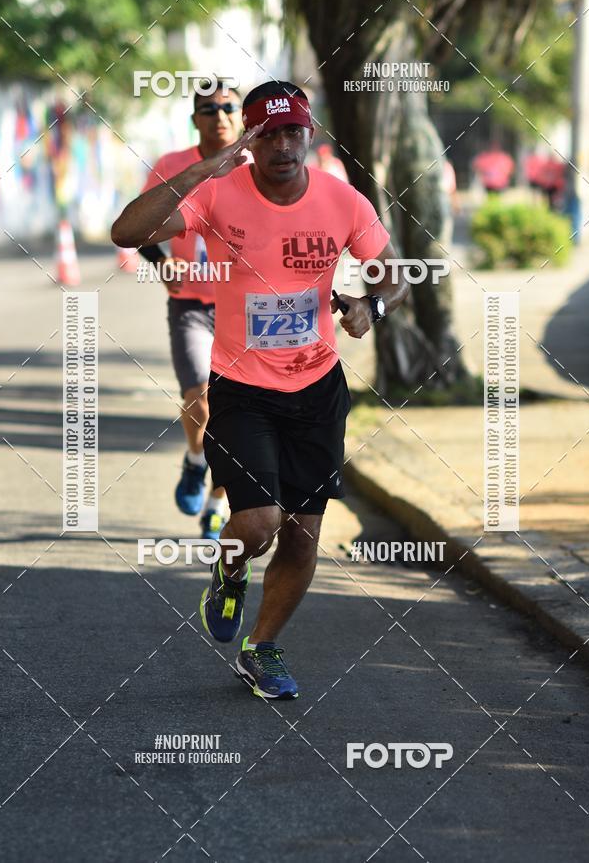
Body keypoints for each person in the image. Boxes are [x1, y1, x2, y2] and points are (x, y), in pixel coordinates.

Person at [112, 81, 409, 700]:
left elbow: (393, 275)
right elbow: (127, 231)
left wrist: (369, 308)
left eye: (292, 131)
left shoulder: (342, 201)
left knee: (303, 533)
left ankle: (261, 647)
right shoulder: (219, 194)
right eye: (267, 133)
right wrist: (206, 168)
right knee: (261, 520)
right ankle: (228, 567)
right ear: (250, 140)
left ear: (310, 135)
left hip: (318, 388)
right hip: (243, 388)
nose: (282, 145)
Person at [140, 82, 244, 540]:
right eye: (208, 109)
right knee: (199, 395)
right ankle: (196, 457)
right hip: (191, 305)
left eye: (228, 108)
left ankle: (218, 503)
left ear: (241, 116)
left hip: (244, 309)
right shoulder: (172, 166)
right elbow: (140, 224)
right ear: (195, 119)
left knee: (236, 411)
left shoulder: (258, 166)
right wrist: (161, 262)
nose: (219, 116)